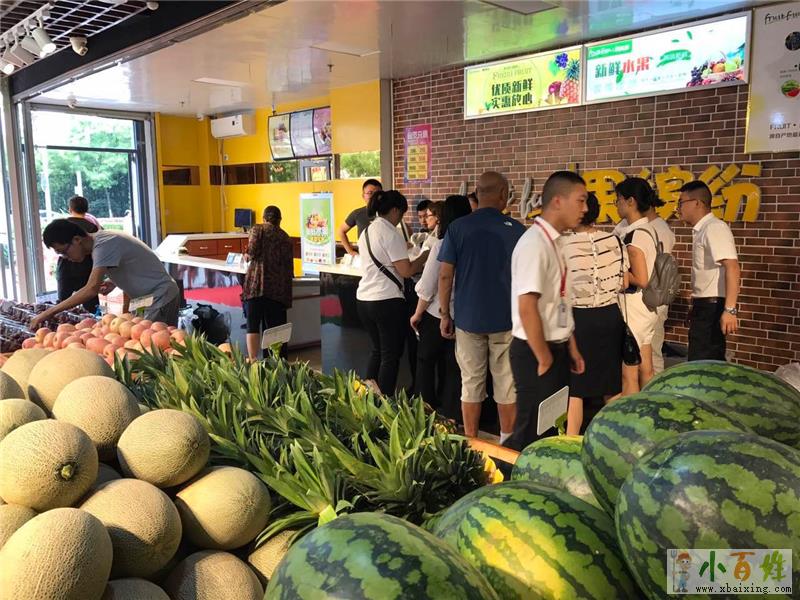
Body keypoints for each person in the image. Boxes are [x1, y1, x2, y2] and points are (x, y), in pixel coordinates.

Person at [438, 171, 526, 442]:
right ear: (503, 194)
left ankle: (472, 442)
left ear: (477, 193)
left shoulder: (458, 228)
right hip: (506, 320)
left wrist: (444, 314)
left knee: (471, 382)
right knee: (506, 384)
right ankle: (506, 443)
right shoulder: (518, 230)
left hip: (468, 319)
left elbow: (445, 276)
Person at [506, 171, 587, 450]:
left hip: (556, 348)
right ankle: (509, 474)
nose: (585, 209)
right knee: (530, 431)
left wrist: (571, 347)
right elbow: (527, 307)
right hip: (535, 351)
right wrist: (543, 358)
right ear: (557, 201)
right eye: (581, 200)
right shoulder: (534, 244)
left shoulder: (557, 242)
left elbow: (559, 302)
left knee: (551, 427)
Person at [31, 219, 181, 329]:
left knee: (154, 347)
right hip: (145, 299)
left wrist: (49, 312)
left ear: (77, 239)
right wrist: (112, 281)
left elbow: (91, 289)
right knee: (140, 340)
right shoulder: (103, 241)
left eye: (64, 252)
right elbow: (133, 263)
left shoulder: (103, 245)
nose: (66, 258)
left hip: (159, 296)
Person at [561, 193, 628, 434]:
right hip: (610, 316)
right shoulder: (615, 240)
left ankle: (570, 441)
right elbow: (624, 282)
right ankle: (615, 437)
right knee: (611, 384)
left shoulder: (563, 244)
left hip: (579, 319)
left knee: (576, 387)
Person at [356, 190, 428, 394]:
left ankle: (367, 398)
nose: (400, 219)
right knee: (390, 355)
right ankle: (384, 402)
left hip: (363, 299)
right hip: (386, 301)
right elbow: (406, 271)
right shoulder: (390, 233)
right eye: (402, 213)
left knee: (377, 351)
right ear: (395, 210)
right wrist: (425, 256)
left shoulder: (367, 231)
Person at [410, 196, 471, 421]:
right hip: (464, 316)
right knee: (455, 367)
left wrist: (417, 314)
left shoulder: (441, 245)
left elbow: (428, 285)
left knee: (425, 362)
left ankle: (425, 411)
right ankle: (453, 415)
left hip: (437, 314)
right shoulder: (474, 246)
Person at [677, 180, 740, 360]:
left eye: (681, 203)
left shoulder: (714, 227)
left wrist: (730, 310)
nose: (678, 209)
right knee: (701, 359)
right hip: (704, 305)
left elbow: (732, 267)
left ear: (697, 203)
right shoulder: (702, 229)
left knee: (704, 361)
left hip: (712, 308)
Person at [615, 177, 659, 393]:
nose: (617, 204)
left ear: (630, 201)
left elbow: (641, 279)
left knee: (628, 374)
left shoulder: (634, 237)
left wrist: (620, 271)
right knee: (646, 369)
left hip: (633, 309)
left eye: (618, 199)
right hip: (647, 307)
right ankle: (650, 406)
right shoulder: (649, 229)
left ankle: (631, 413)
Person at [242, 206, 294, 361]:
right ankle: (274, 363)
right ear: (279, 220)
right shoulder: (286, 237)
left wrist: (245, 255)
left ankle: (253, 361)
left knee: (252, 324)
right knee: (274, 329)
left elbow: (251, 252)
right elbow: (289, 267)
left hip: (257, 285)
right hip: (277, 290)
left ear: (264, 218)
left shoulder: (257, 229)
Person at [645, 197, 675, 374]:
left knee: (653, 350)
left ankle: (655, 387)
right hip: (654, 296)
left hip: (653, 297)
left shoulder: (657, 229)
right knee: (650, 349)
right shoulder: (658, 227)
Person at [56, 216, 99, 313]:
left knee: (63, 303)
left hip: (67, 270)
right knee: (90, 305)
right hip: (88, 267)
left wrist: (51, 312)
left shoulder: (64, 225)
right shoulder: (91, 225)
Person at [338, 179, 382, 257]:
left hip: (384, 257)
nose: (374, 196)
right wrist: (350, 251)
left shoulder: (388, 213)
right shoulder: (357, 213)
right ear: (363, 196)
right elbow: (341, 231)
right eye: (370, 193)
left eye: (377, 193)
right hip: (365, 257)